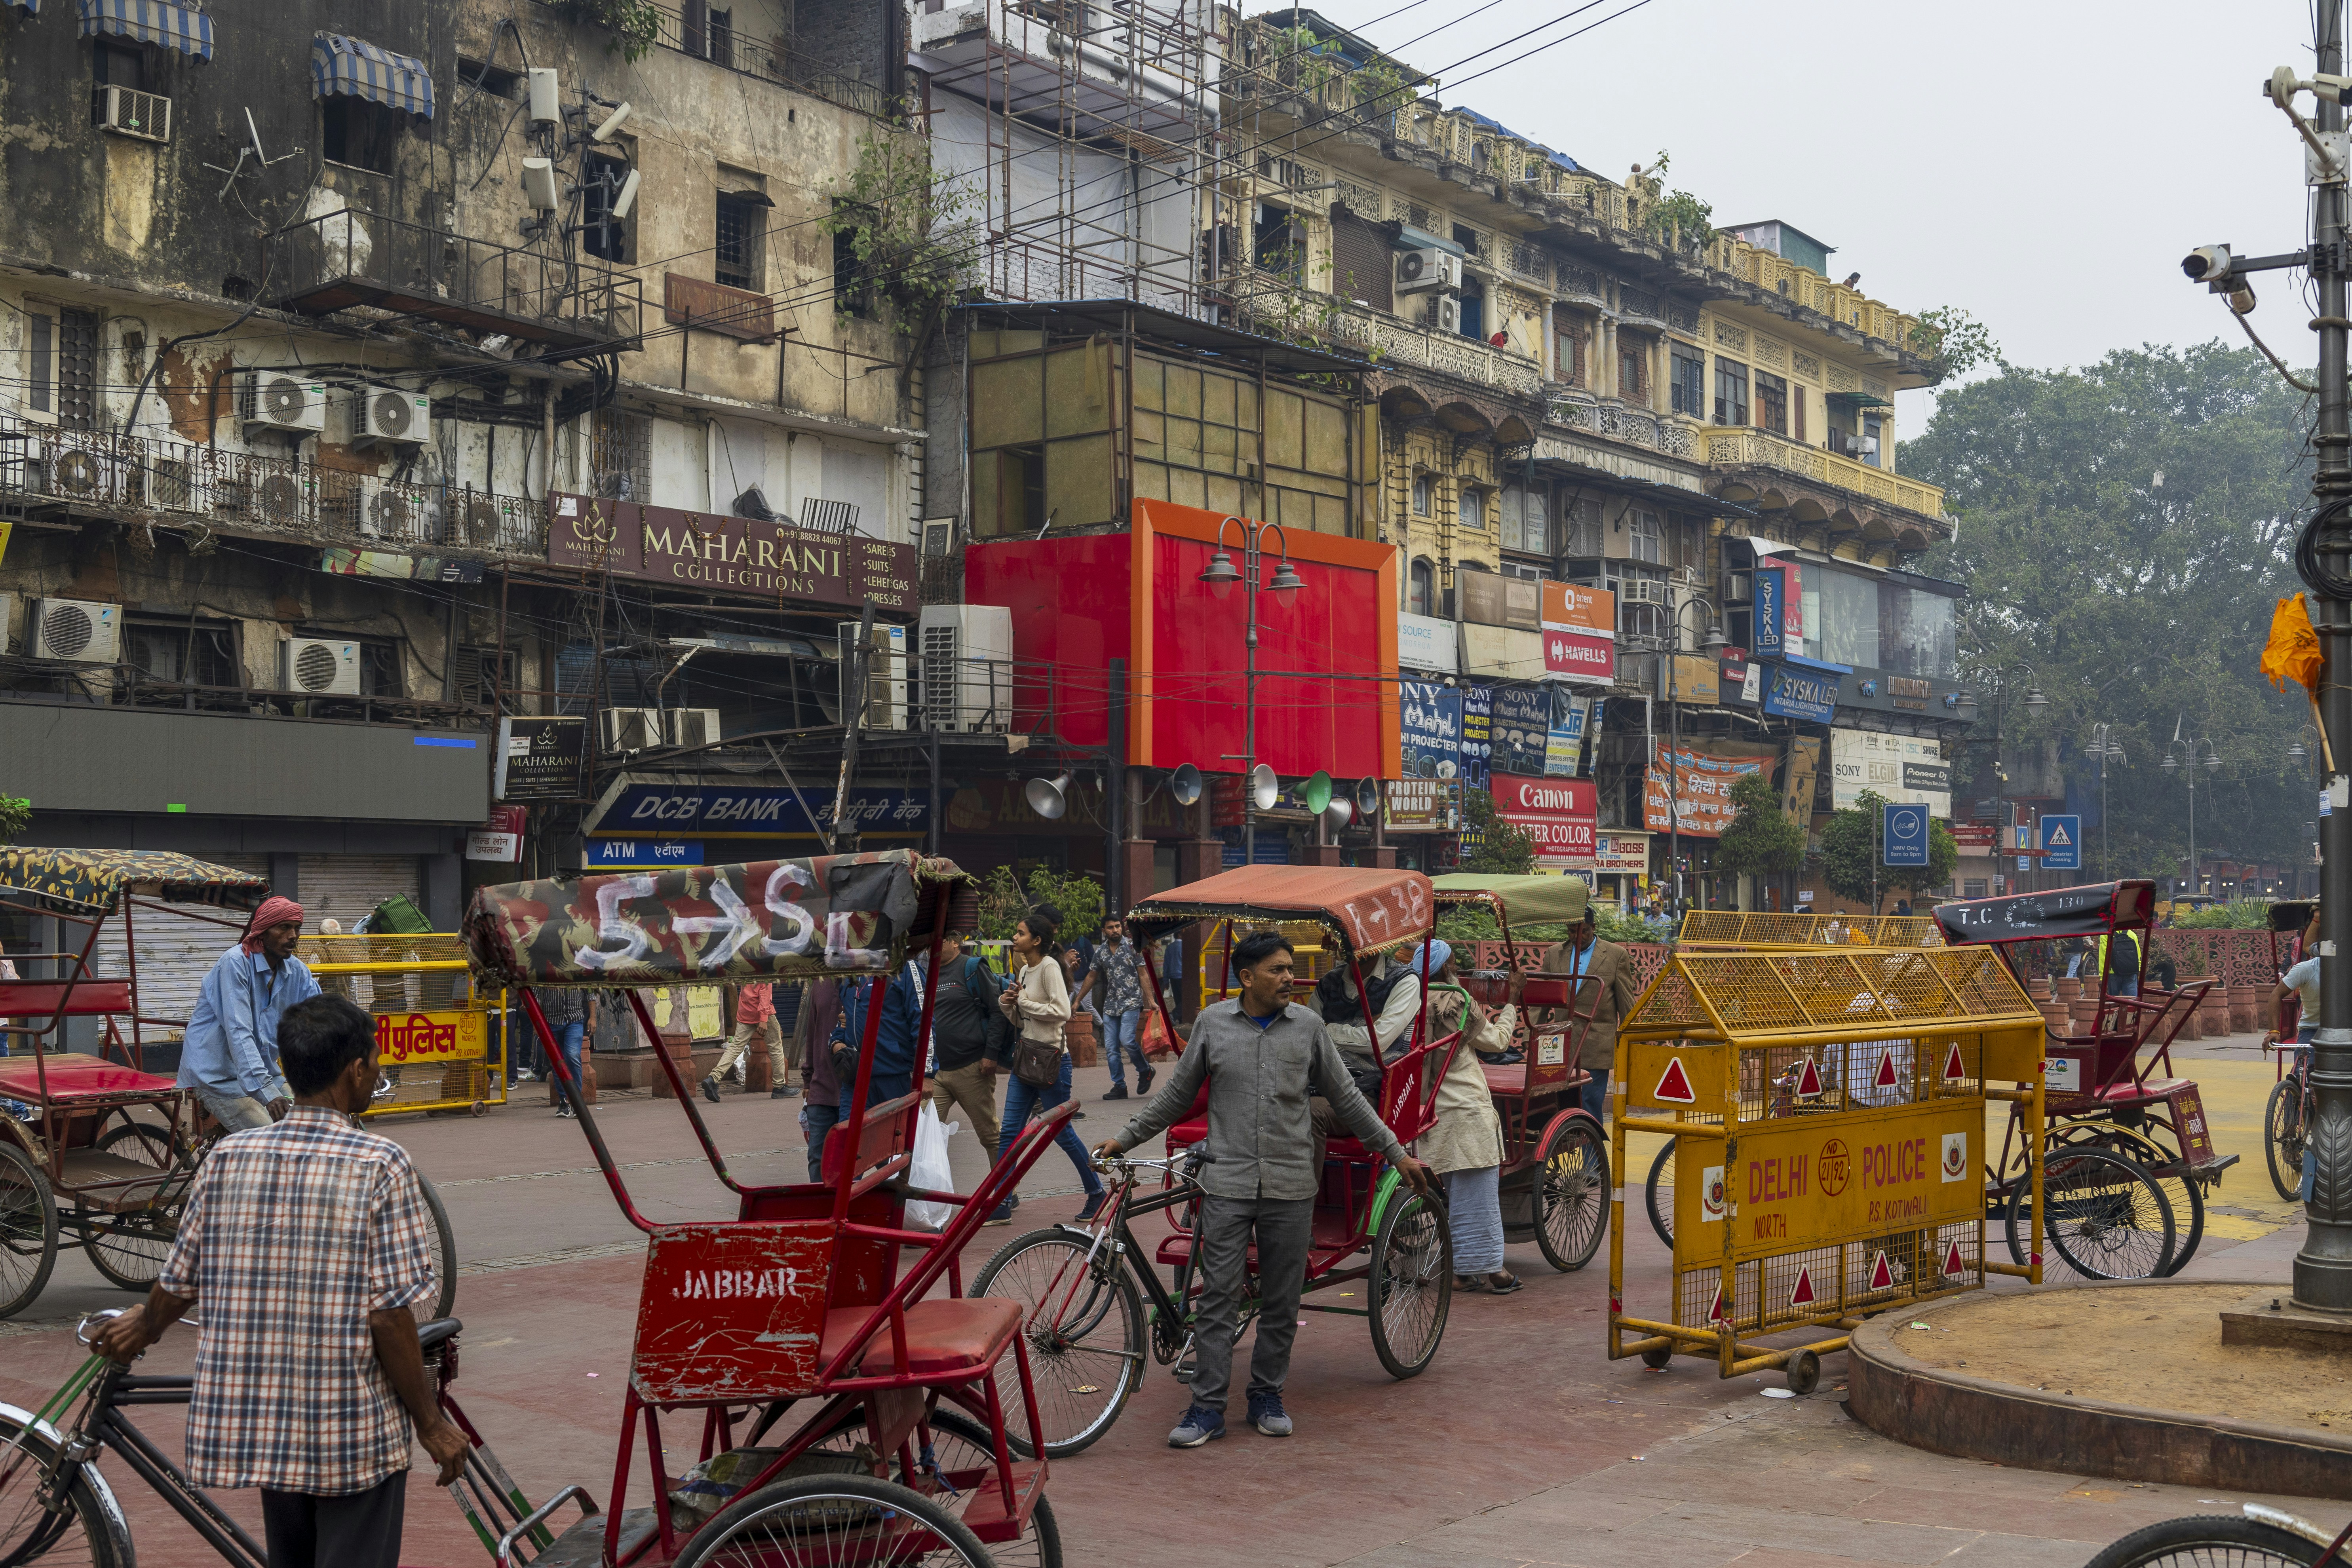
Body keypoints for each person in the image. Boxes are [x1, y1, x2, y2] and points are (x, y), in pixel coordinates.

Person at [96, 994, 470, 1568]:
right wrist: (430, 1422)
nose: (378, 1072)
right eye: (376, 1061)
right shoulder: (379, 1162)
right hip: (349, 1429)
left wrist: (144, 1325)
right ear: (356, 1070)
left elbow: (181, 1278)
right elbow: (389, 1315)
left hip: (268, 1430)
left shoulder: (228, 1157)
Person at [1095, 932, 1436, 1447]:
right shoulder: (1213, 1025)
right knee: (1216, 1301)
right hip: (1227, 1183)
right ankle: (1206, 1407)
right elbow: (1175, 1096)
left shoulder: (1307, 1028)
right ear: (1247, 977)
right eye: (1277, 970)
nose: (1288, 979)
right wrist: (1124, 1137)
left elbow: (1348, 1100)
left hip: (1291, 1184)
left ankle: (1266, 1394)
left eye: (1289, 969)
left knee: (1280, 1300)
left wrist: (1396, 1153)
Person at [1420, 941, 1520, 1295]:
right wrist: (1511, 1005)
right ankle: (1491, 1270)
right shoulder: (1456, 1000)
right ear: (1447, 967)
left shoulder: (1410, 999)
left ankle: (1467, 1267)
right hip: (1466, 1109)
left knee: (1459, 1192)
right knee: (1477, 1195)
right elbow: (1498, 1043)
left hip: (1427, 1112)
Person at [996, 909, 1107, 1222]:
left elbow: (1061, 1012)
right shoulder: (1024, 972)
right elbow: (1024, 1020)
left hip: (1052, 1061)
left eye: (1020, 933)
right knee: (1009, 1133)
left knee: (1061, 1132)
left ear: (1037, 940)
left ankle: (1096, 1192)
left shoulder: (1048, 967)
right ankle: (1002, 1201)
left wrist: (1023, 1003)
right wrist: (1008, 1004)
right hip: (1027, 1057)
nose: (1015, 938)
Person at [180, 895, 319, 1132]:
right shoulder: (235, 963)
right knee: (273, 1139)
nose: (293, 936)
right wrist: (268, 1094)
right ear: (263, 932)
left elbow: (325, 1018)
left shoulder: (297, 971)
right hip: (220, 1077)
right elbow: (239, 1032)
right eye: (284, 928)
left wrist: (354, 1060)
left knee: (310, 1127)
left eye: (297, 928)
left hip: (265, 1073)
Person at [1532, 883, 1640, 1125]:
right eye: (1571, 932)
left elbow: (1626, 1002)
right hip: (1559, 1044)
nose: (1576, 937)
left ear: (1593, 928)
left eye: (1582, 932)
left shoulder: (1615, 955)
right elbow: (1542, 1001)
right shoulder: (1554, 954)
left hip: (1596, 1043)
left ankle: (1593, 1161)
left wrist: (1633, 1041)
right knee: (1560, 1105)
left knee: (1590, 1104)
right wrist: (1533, 1033)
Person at [926, 930, 1008, 1156]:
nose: (932, 945)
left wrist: (991, 1054)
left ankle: (1008, 1190)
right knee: (921, 1133)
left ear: (955, 943)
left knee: (990, 1137)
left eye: (939, 940)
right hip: (936, 1073)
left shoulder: (972, 968)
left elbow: (997, 1012)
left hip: (972, 1068)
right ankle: (920, 1188)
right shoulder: (926, 973)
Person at [1086, 915, 1154, 1102]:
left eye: (1118, 926)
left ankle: (1145, 1070)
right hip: (1111, 1005)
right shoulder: (1101, 952)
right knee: (1110, 1047)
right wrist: (1077, 1002)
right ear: (1104, 931)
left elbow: (1143, 974)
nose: (1115, 930)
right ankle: (1120, 1086)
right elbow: (1092, 976)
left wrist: (1150, 1000)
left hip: (1132, 1001)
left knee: (1127, 1040)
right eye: (1111, 927)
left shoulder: (1133, 946)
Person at [704, 981, 793, 1102]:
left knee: (735, 1047)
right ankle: (780, 1087)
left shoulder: (745, 965)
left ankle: (714, 1078)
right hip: (761, 1011)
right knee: (775, 1047)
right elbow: (765, 994)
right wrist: (763, 1019)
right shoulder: (764, 966)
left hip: (745, 1011)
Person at [795, 977, 844, 1182]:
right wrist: (808, 1077)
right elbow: (813, 1031)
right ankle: (820, 1208)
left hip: (852, 1086)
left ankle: (846, 1209)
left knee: (849, 1157)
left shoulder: (863, 980)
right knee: (817, 1156)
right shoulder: (820, 982)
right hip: (821, 1085)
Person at [537, 986, 594, 1118]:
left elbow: (590, 992)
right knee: (557, 1060)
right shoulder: (543, 968)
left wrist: (593, 1017)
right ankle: (563, 1101)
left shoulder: (576, 968)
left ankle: (577, 1101)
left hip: (574, 1020)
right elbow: (535, 995)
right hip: (551, 1021)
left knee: (572, 1055)